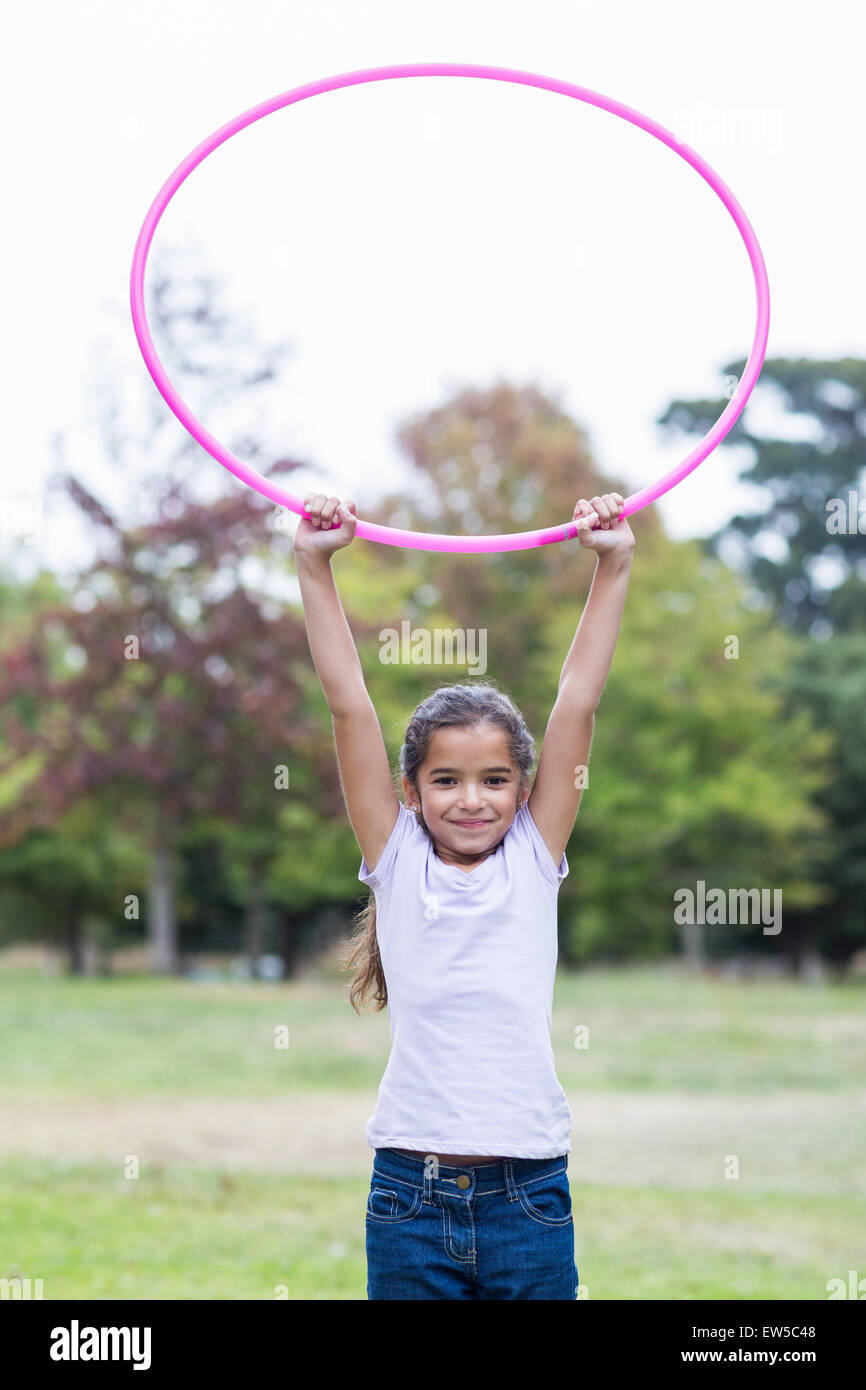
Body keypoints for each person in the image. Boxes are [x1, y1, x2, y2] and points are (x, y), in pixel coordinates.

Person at [294, 487, 635, 1298]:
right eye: (446, 779)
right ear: (409, 791)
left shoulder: (533, 853)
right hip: (409, 1195)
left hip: (530, 1197)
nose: (471, 799)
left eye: (493, 780)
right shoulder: (397, 856)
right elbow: (348, 706)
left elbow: (577, 703)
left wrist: (613, 566)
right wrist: (314, 565)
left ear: (525, 791)